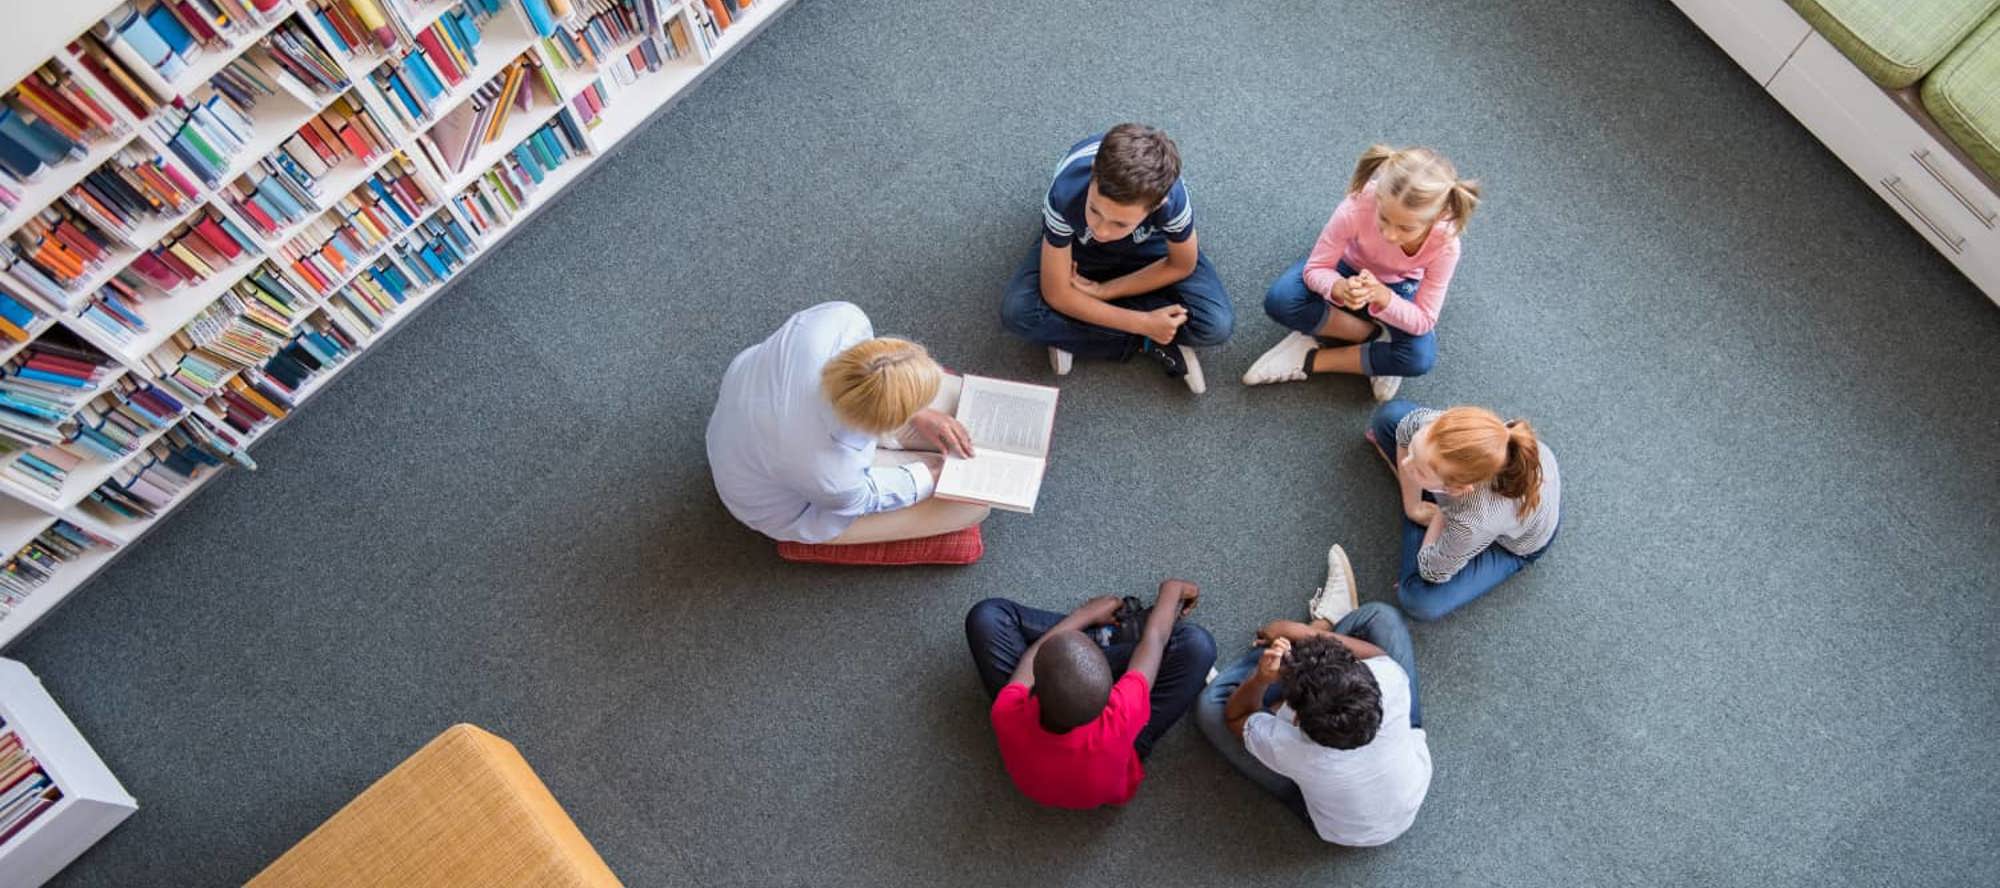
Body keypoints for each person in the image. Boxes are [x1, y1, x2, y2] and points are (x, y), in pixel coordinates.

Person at [1195, 543, 1432, 846]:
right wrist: (1295, 631)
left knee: (1211, 707)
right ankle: (1317, 631)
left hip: (1336, 826)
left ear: (1295, 720)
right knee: (1380, 618)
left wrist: (1261, 678)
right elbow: (1378, 656)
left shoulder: (1294, 750)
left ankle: (1303, 643)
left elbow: (1235, 716)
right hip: (1406, 793)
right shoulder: (1389, 680)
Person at [705, 301, 990, 544]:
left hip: (756, 411)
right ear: (884, 420)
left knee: (958, 405)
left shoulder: (840, 321)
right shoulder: (831, 476)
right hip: (788, 498)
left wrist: (919, 412)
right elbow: (866, 496)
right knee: (971, 508)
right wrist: (931, 476)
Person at [999, 123, 1232, 394]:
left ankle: (1074, 329)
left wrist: (1103, 291)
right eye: (1095, 210)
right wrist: (1144, 324)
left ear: (1157, 206)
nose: (1101, 231)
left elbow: (1182, 264)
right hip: (1079, 247)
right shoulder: (1065, 192)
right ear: (1093, 179)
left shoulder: (1173, 199)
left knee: (1216, 324)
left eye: (1119, 224)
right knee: (1017, 311)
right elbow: (1056, 293)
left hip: (1148, 245)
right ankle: (1147, 341)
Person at [1242, 145, 1480, 401]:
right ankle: (1374, 338)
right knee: (1281, 300)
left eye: (1405, 228)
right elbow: (1317, 268)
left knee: (1419, 358)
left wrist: (1384, 298)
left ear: (1438, 217)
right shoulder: (1357, 205)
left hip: (1399, 286)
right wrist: (1338, 287)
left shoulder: (1446, 244)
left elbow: (1424, 320)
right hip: (1347, 266)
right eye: (1384, 218)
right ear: (1378, 196)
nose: (1390, 234)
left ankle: (1310, 359)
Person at [965, 580, 1217, 808]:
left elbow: (1036, 656)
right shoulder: (1121, 713)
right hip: (1122, 746)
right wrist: (1172, 590)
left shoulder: (1007, 710)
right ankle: (1107, 640)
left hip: (1045, 757)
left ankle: (1095, 638)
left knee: (987, 616)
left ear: (1033, 690)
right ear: (1111, 694)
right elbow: (1155, 639)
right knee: (1197, 645)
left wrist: (1086, 614)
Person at [1366, 400, 1561, 621]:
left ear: (1458, 489)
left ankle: (1435, 513)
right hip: (1476, 505)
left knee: (1417, 600)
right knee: (1388, 417)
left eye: (1419, 470)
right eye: (1412, 452)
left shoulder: (1472, 522)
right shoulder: (1431, 425)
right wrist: (1413, 508)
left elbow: (1432, 570)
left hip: (1517, 543)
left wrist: (1444, 513)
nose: (1406, 465)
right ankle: (1427, 502)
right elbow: (1405, 431)